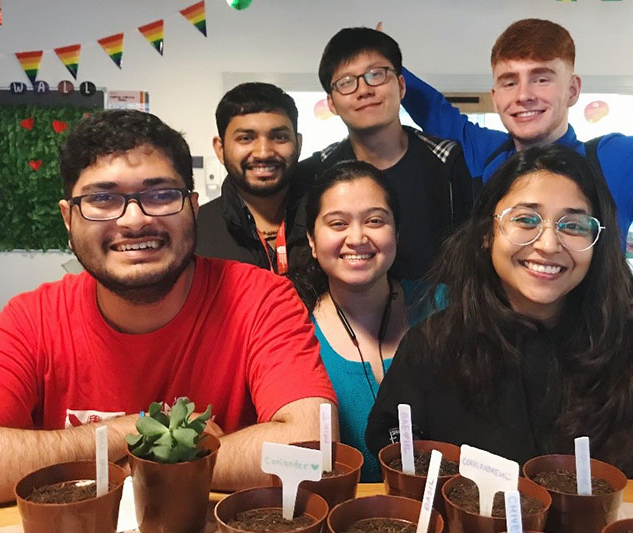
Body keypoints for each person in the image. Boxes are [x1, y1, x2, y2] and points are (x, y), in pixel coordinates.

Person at [0, 109, 337, 512]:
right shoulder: (33, 318)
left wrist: (126, 469)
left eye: (161, 194)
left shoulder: (261, 299)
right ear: (68, 217)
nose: (134, 220)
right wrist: (124, 434)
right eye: (102, 198)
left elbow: (311, 446)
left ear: (193, 207)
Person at [366, 145, 633, 478]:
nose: (548, 244)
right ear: (486, 233)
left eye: (573, 225)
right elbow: (395, 444)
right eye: (526, 219)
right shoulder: (434, 345)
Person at [399, 18, 633, 246]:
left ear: (573, 90)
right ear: (495, 97)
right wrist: (383, 61)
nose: (523, 95)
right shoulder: (483, 151)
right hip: (493, 348)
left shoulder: (614, 164)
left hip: (588, 352)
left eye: (542, 78)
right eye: (509, 81)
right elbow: (432, 108)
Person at [297, 27, 476, 280]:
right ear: (332, 103)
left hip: (440, 315)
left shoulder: (449, 161)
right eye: (346, 82)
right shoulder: (316, 173)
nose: (364, 90)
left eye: (376, 75)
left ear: (401, 86)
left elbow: (471, 259)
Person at [289, 160, 428, 481]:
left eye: (375, 220)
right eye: (337, 224)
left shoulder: (442, 305)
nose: (357, 238)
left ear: (397, 231)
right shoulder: (293, 329)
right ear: (311, 240)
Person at [196, 82, 308, 274]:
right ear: (220, 149)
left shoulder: (327, 221)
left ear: (298, 144)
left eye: (279, 137)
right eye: (246, 138)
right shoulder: (195, 232)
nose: (263, 153)